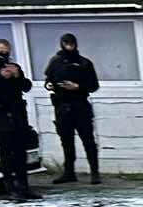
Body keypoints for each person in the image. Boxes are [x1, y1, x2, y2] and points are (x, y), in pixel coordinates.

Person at [0, 37, 37, 201]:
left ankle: (24, 188)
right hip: (1, 115)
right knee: (6, 154)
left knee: (20, 153)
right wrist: (1, 77)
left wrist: (17, 76)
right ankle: (10, 188)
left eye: (6, 50)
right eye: (0, 49)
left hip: (18, 115)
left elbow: (26, 87)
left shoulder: (14, 66)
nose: (3, 52)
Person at [44, 32, 102, 185]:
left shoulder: (84, 63)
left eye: (71, 44)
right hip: (62, 106)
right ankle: (69, 172)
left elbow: (94, 85)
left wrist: (77, 86)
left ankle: (95, 172)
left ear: (75, 45)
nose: (69, 47)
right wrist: (49, 85)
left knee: (88, 140)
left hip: (80, 105)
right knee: (66, 141)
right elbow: (48, 79)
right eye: (66, 44)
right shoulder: (55, 61)